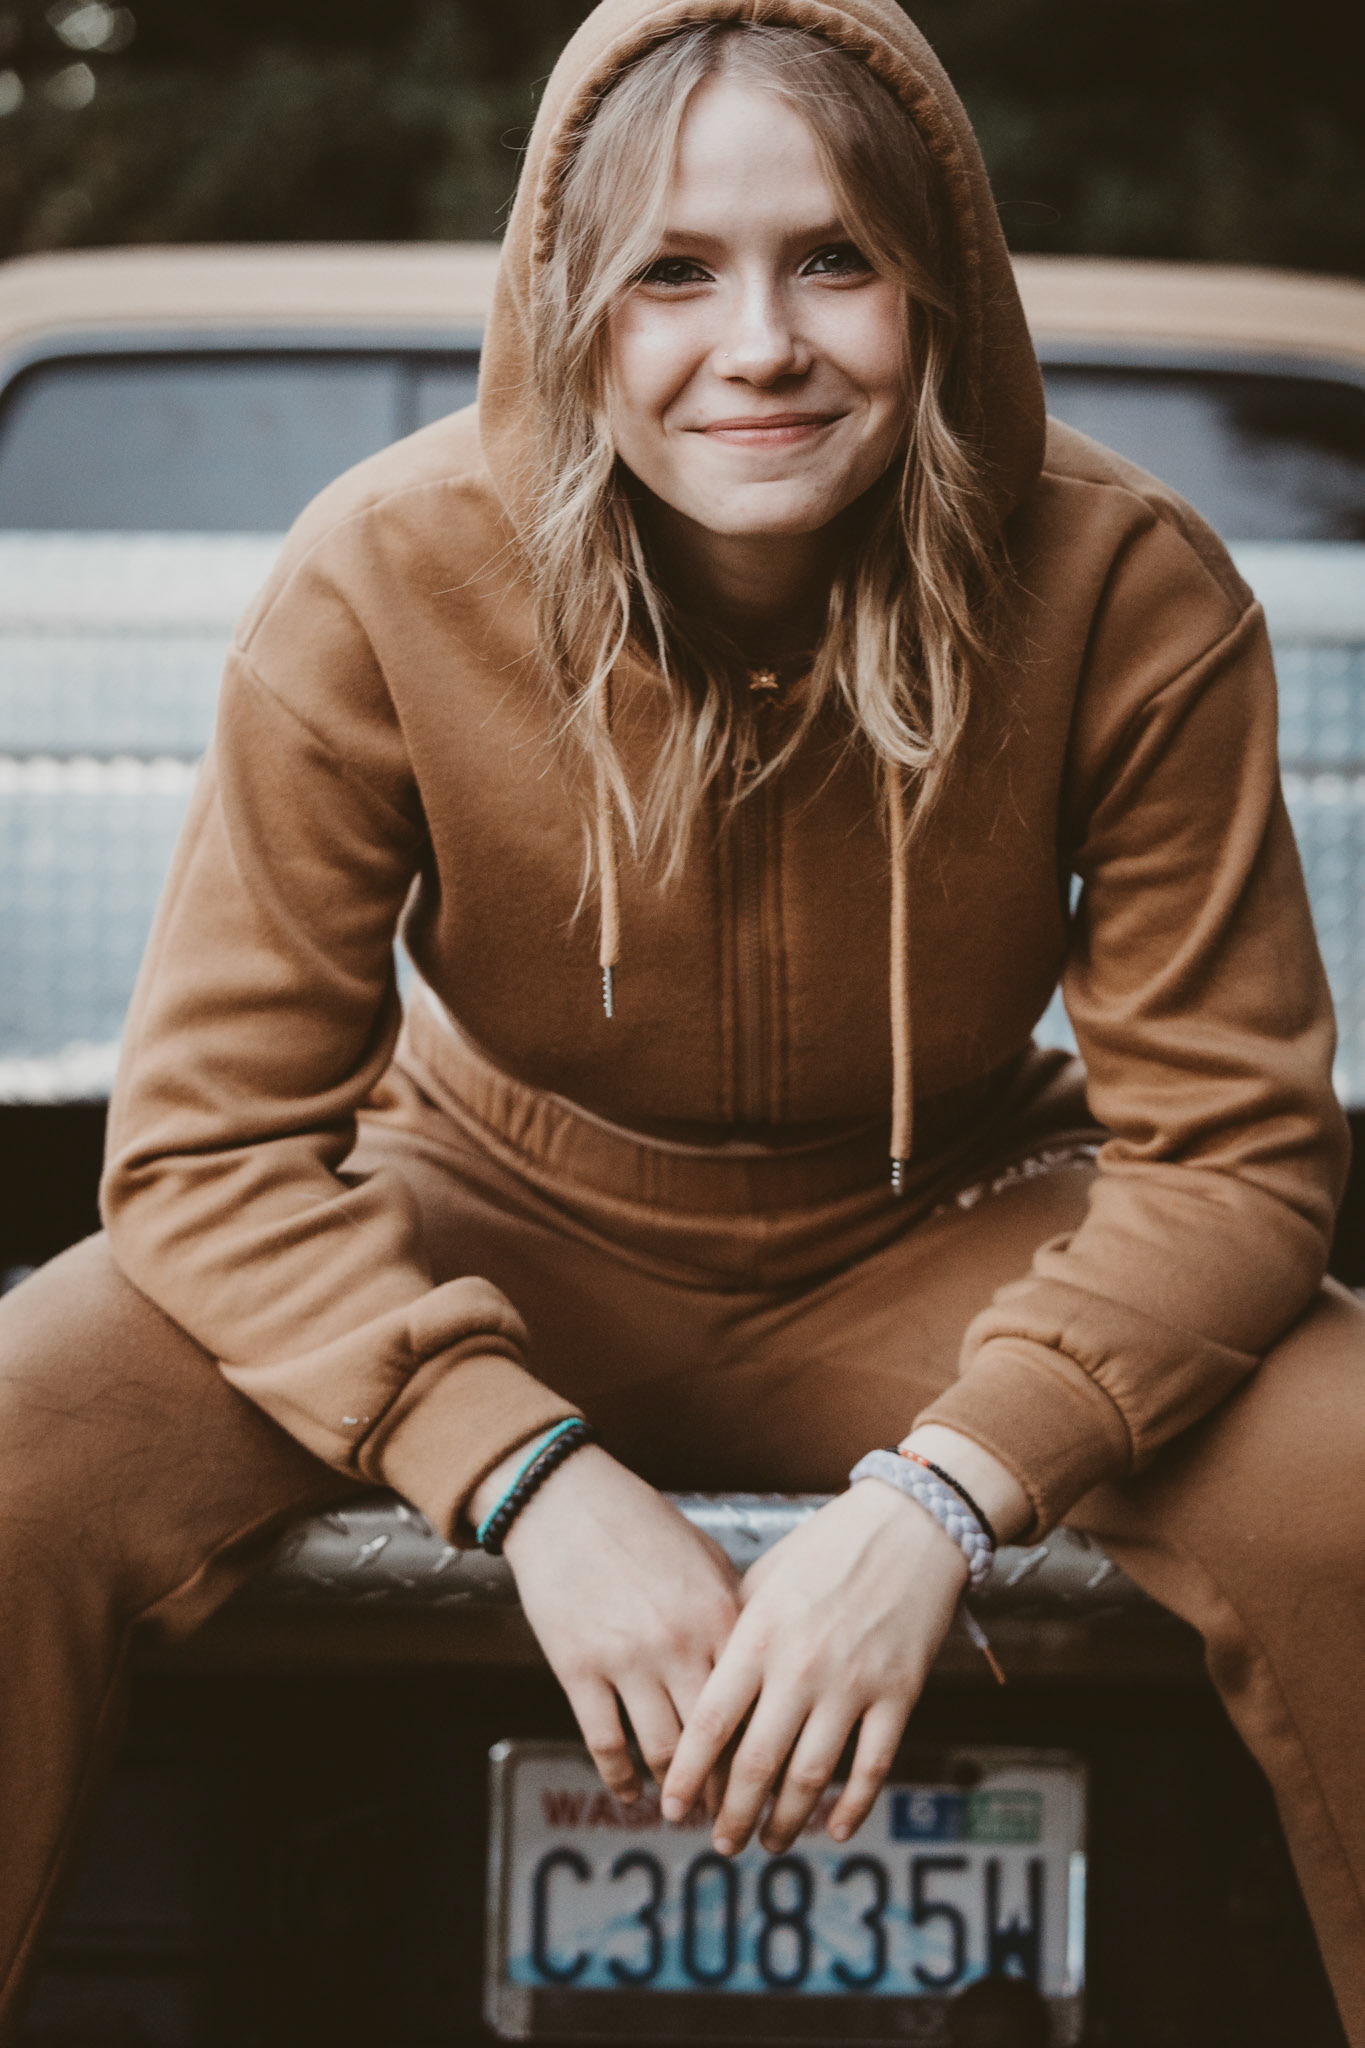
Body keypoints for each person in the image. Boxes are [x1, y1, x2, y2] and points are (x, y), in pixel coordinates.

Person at [1, 0, 1362, 2036]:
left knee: (1353, 1485)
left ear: (938, 279)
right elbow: (205, 1149)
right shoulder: (381, 575)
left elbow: (1235, 1150)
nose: (760, 343)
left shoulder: (1123, 584)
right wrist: (521, 1475)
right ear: (569, 303)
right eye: (670, 272)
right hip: (493, 1206)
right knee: (20, 1439)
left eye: (832, 258)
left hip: (946, 1221)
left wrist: (940, 1500)